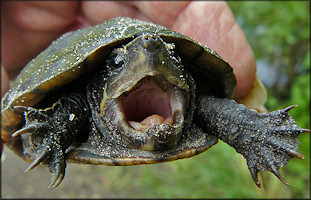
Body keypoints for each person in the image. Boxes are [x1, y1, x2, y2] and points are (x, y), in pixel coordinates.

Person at [1, 1, 257, 154]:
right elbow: (64, 104)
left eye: (171, 58)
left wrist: (257, 133)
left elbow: (230, 116)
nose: (150, 56)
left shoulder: (198, 107)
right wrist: (51, 132)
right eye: (119, 63)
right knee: (70, 111)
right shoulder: (82, 104)